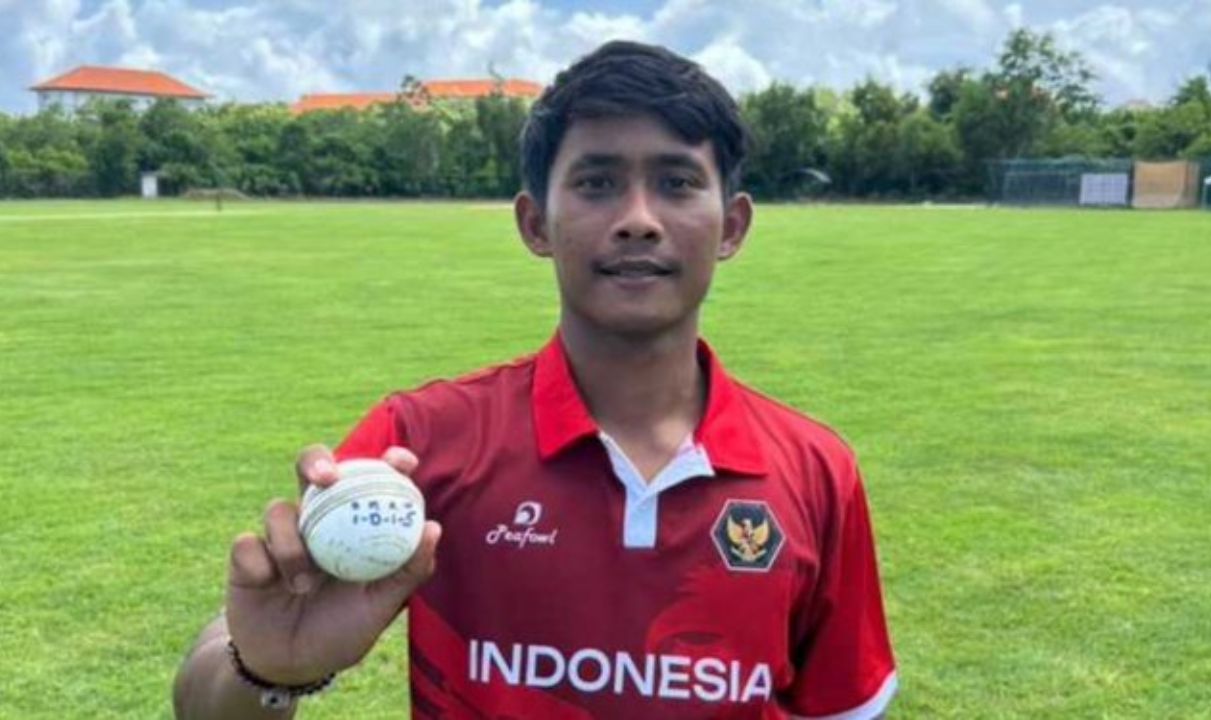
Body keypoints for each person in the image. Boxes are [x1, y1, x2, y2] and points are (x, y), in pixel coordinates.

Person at [173, 40, 896, 719]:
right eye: (597, 183)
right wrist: (265, 669)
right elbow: (205, 695)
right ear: (535, 224)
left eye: (677, 183)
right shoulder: (420, 442)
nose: (638, 220)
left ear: (732, 226)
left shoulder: (816, 472)